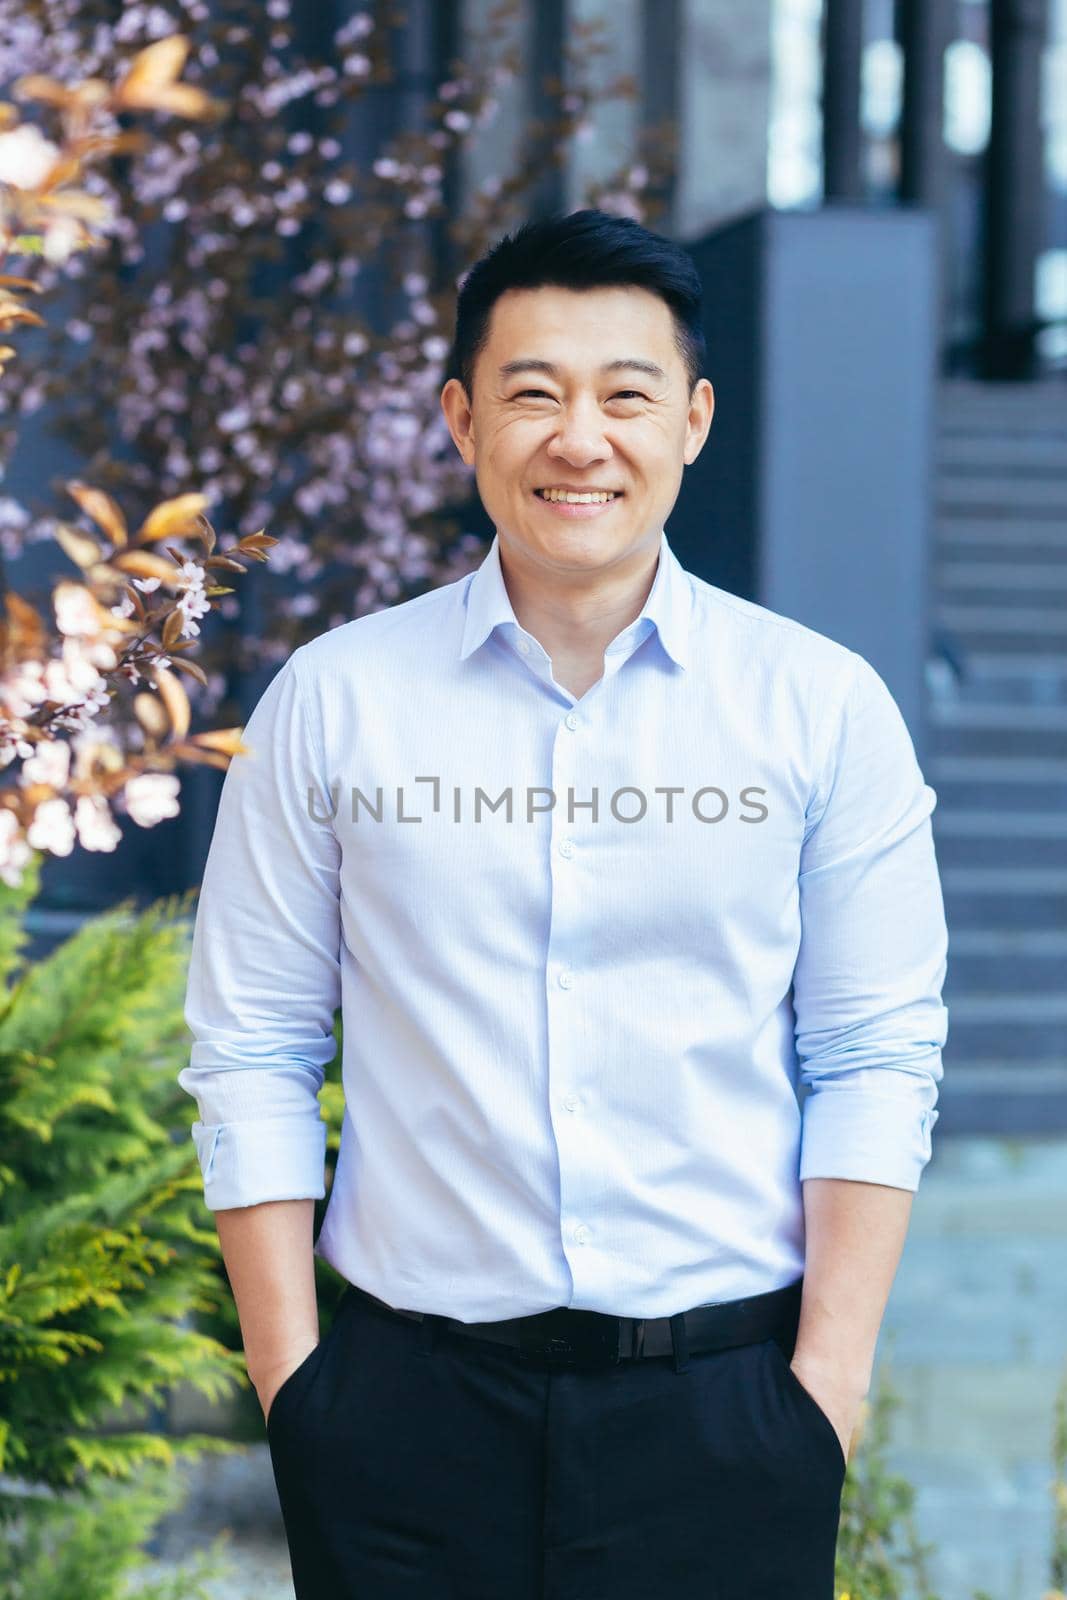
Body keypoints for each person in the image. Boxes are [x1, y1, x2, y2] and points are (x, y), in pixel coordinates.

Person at [179, 207, 949, 1599]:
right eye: (533, 393)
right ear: (463, 419)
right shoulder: (333, 703)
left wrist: (824, 1391)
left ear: (695, 421)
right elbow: (253, 1050)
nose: (579, 438)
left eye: (626, 394)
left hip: (727, 1417)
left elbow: (874, 1056)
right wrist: (298, 1386)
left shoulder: (820, 710)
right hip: (402, 1419)